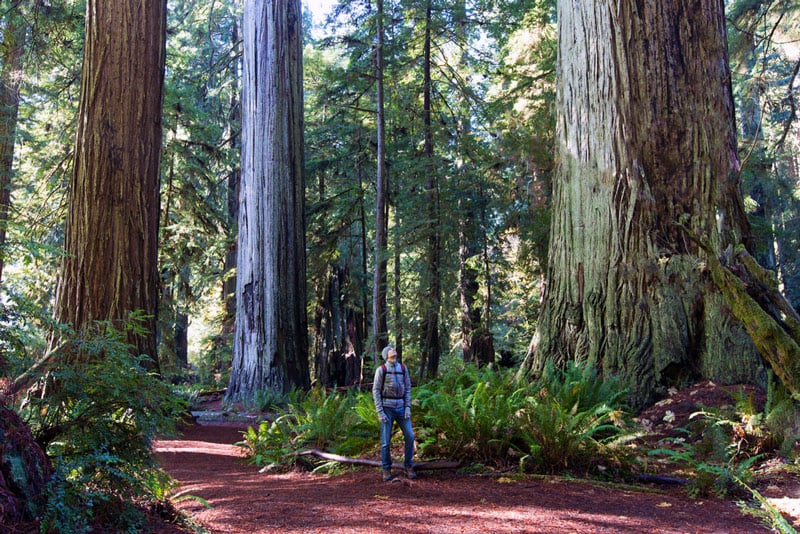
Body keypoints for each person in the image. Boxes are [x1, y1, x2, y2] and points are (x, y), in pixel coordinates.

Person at [372, 344, 416, 481]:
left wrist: (407, 407)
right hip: (387, 408)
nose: (393, 350)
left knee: (410, 436)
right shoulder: (381, 370)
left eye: (394, 349)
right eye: (390, 350)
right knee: (386, 441)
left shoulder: (403, 369)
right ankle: (386, 468)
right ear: (386, 355)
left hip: (401, 408)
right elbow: (376, 391)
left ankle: (408, 465)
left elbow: (408, 388)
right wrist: (380, 412)